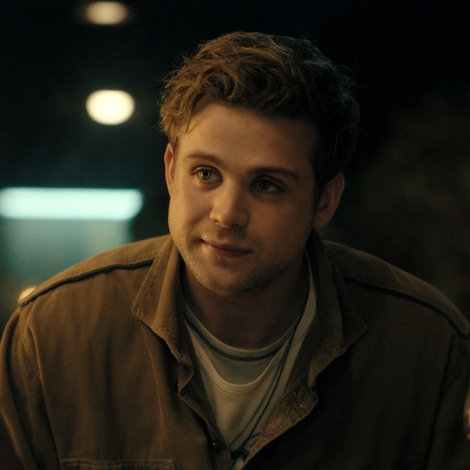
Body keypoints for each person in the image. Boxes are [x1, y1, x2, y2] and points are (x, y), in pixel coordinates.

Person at [1, 31, 470, 470]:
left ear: (325, 201)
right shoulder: (52, 335)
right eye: (206, 174)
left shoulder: (425, 349)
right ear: (171, 171)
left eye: (267, 185)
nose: (227, 214)